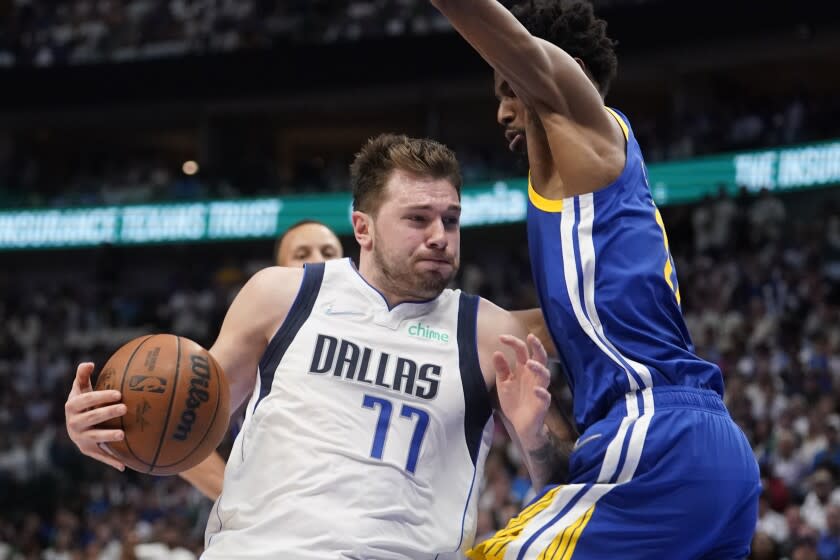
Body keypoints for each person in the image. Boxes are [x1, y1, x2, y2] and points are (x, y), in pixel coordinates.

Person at [64, 133, 571, 559]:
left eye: (451, 220)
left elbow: (561, 482)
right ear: (362, 227)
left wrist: (532, 438)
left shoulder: (486, 331)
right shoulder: (282, 294)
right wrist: (106, 428)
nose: (440, 236)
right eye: (418, 219)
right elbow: (184, 421)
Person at [429, 0, 761, 558]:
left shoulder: (592, 130)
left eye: (509, 90)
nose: (502, 114)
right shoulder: (577, 236)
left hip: (658, 436)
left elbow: (510, 41)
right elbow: (517, 332)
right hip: (700, 455)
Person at [179, 220, 345, 501]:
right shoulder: (258, 343)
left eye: (328, 253)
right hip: (282, 523)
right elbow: (179, 428)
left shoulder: (379, 329)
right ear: (279, 272)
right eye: (302, 255)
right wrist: (235, 499)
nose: (318, 261)